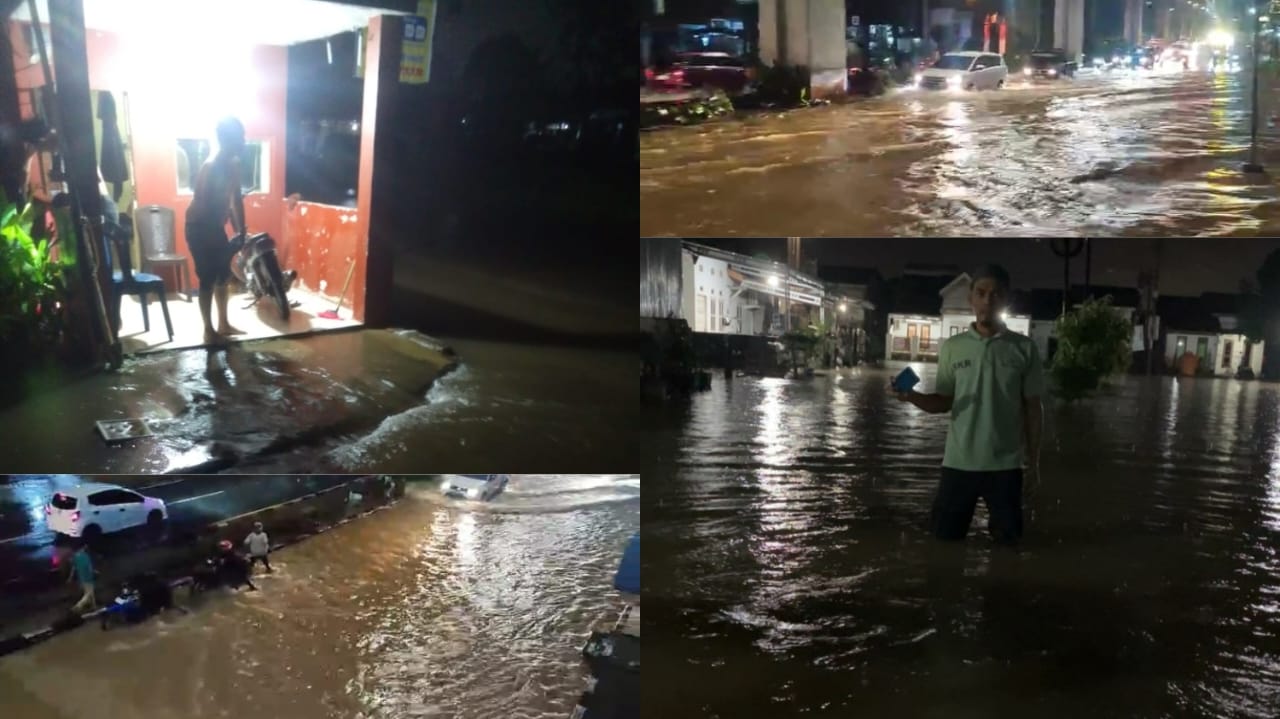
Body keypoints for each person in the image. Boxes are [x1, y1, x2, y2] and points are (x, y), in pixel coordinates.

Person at [893, 264, 1044, 546]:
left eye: (996, 294)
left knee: (1008, 549)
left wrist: (1033, 463)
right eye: (981, 293)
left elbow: (1033, 409)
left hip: (1006, 467)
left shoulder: (1024, 349)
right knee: (944, 545)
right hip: (958, 465)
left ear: (1006, 300)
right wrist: (910, 395)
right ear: (971, 298)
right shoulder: (953, 347)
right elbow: (944, 402)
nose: (988, 300)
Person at [185, 116, 248, 346]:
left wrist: (241, 231)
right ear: (228, 139)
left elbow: (236, 200)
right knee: (208, 278)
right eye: (240, 136)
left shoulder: (234, 165)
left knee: (223, 275)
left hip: (215, 226)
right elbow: (204, 205)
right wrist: (221, 241)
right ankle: (208, 330)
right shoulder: (211, 167)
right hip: (199, 227)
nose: (244, 140)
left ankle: (224, 324)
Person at [68, 543, 97, 613]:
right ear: (83, 547)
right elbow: (89, 567)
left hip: (81, 578)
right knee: (88, 594)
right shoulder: (86, 556)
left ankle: (94, 606)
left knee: (89, 592)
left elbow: (73, 568)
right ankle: (77, 606)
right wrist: (94, 572)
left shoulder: (75, 556)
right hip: (88, 577)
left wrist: (70, 577)